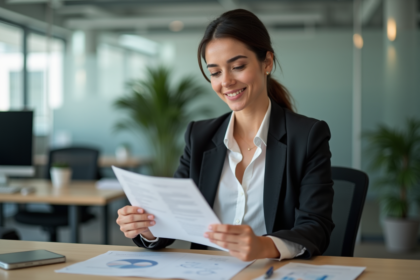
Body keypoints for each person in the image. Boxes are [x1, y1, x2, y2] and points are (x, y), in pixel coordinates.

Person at [116, 9, 334, 262]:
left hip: (271, 271)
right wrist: (147, 229)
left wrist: (262, 246)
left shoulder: (307, 136)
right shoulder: (199, 136)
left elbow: (316, 227)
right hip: (205, 272)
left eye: (238, 66)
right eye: (215, 72)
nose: (226, 81)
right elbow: (175, 219)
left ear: (267, 63)